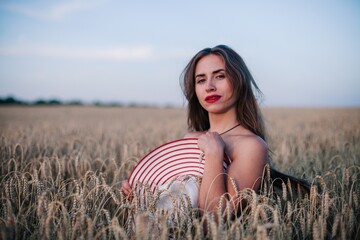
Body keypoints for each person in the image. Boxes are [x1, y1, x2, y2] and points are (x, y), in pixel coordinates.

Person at [121, 45, 309, 217]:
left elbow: (214, 221)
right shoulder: (191, 138)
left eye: (220, 76)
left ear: (239, 81)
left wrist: (214, 154)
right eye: (201, 80)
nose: (209, 86)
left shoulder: (251, 146)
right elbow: (176, 208)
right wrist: (141, 203)